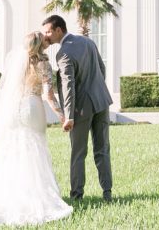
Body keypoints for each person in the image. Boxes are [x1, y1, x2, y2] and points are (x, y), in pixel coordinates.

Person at [0, 31, 73, 226]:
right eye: (44, 39)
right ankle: (34, 196)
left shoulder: (18, 63)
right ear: (39, 45)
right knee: (34, 150)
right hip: (32, 106)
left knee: (12, 151)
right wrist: (63, 115)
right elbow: (49, 94)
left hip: (13, 108)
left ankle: (9, 193)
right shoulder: (42, 63)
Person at [41, 14, 113, 202]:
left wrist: (69, 115)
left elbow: (68, 86)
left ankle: (77, 195)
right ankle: (107, 192)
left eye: (48, 31)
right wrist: (96, 91)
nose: (46, 35)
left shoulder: (63, 53)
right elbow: (101, 68)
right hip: (102, 102)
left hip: (81, 109)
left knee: (78, 152)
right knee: (103, 149)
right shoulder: (87, 41)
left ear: (59, 30)